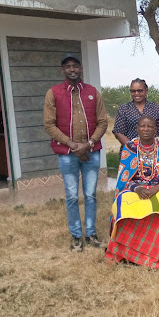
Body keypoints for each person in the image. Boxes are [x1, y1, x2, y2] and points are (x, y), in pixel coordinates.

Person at [43, 54, 108, 252]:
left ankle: (91, 234)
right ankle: (76, 237)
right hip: (66, 153)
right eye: (68, 66)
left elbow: (103, 122)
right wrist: (73, 145)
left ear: (81, 69)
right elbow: (49, 124)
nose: (72, 69)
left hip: (91, 151)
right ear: (62, 70)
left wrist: (88, 144)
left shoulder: (92, 92)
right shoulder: (53, 93)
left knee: (90, 195)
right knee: (71, 195)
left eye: (75, 66)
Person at [107, 117, 159, 268]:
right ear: (137, 128)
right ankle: (127, 251)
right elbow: (124, 177)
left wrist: (155, 189)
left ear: (156, 130)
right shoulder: (129, 147)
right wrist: (138, 189)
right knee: (124, 204)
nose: (146, 129)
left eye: (150, 126)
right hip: (135, 187)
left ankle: (158, 252)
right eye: (142, 126)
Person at [112, 78, 159, 147]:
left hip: (154, 152)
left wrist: (155, 146)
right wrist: (132, 147)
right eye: (133, 91)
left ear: (146, 90)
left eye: (140, 91)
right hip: (131, 151)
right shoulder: (124, 109)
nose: (136, 93)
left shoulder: (156, 108)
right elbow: (118, 132)